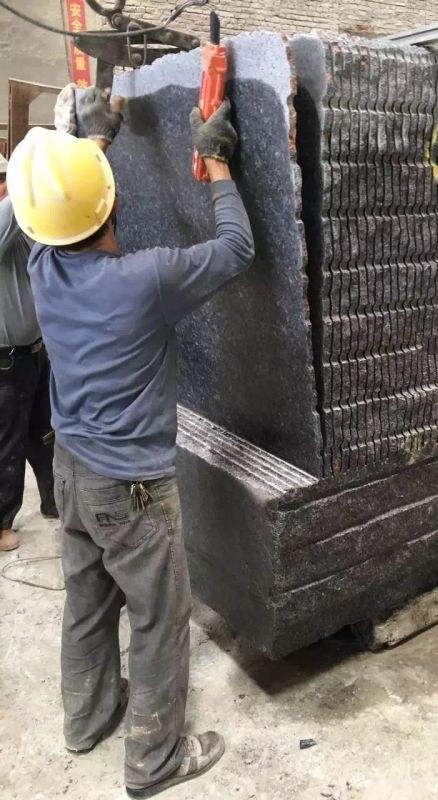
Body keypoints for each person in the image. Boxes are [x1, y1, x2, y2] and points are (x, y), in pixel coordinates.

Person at [6, 88, 254, 798]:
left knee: (87, 602)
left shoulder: (43, 263)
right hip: (135, 490)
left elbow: (67, 210)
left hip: (72, 471)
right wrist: (217, 161)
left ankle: (85, 722)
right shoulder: (146, 281)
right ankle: (154, 762)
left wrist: (95, 140)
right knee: (158, 618)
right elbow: (237, 248)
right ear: (112, 202)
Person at [0, 152, 57, 552]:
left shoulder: (16, 230)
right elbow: (22, 198)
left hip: (34, 353)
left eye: (5, 177)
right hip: (6, 363)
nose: (4, 185)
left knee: (44, 433)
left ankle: (54, 501)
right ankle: (1, 523)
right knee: (8, 444)